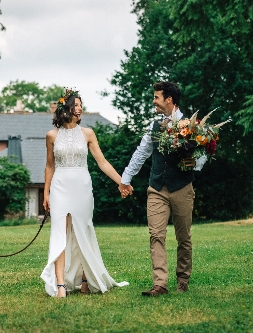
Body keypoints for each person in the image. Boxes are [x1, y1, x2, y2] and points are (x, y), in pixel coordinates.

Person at [40, 89, 129, 298]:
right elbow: (49, 166)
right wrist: (46, 193)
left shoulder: (87, 133)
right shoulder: (51, 136)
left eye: (81, 105)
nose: (80, 108)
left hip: (82, 186)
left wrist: (122, 182)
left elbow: (102, 162)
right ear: (66, 108)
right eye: (76, 105)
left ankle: (85, 279)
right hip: (59, 187)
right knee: (60, 234)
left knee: (82, 230)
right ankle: (60, 284)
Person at [118, 81, 204, 296]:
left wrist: (194, 160)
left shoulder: (190, 125)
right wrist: (125, 179)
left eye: (156, 97)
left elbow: (202, 157)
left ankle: (183, 279)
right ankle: (160, 284)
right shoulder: (154, 126)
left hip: (182, 187)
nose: (153, 101)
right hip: (156, 187)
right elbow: (141, 152)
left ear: (169, 100)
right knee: (156, 235)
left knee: (183, 237)